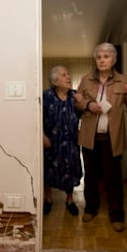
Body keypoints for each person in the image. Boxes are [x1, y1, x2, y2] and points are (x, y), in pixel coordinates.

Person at [74, 42, 127, 232]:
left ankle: (117, 214)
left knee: (113, 178)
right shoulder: (85, 80)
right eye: (99, 57)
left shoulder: (123, 80)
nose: (102, 60)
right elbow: (76, 103)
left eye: (106, 56)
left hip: (112, 138)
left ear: (114, 60)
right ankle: (91, 208)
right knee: (90, 176)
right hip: (89, 137)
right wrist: (86, 104)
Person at [43, 65, 83, 216]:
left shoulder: (75, 96)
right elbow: (35, 117)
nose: (68, 77)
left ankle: (70, 200)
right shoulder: (46, 96)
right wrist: (42, 135)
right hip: (51, 143)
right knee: (48, 171)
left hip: (71, 143)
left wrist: (81, 103)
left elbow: (85, 113)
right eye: (64, 75)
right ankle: (48, 199)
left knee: (70, 171)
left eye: (68, 74)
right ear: (54, 81)